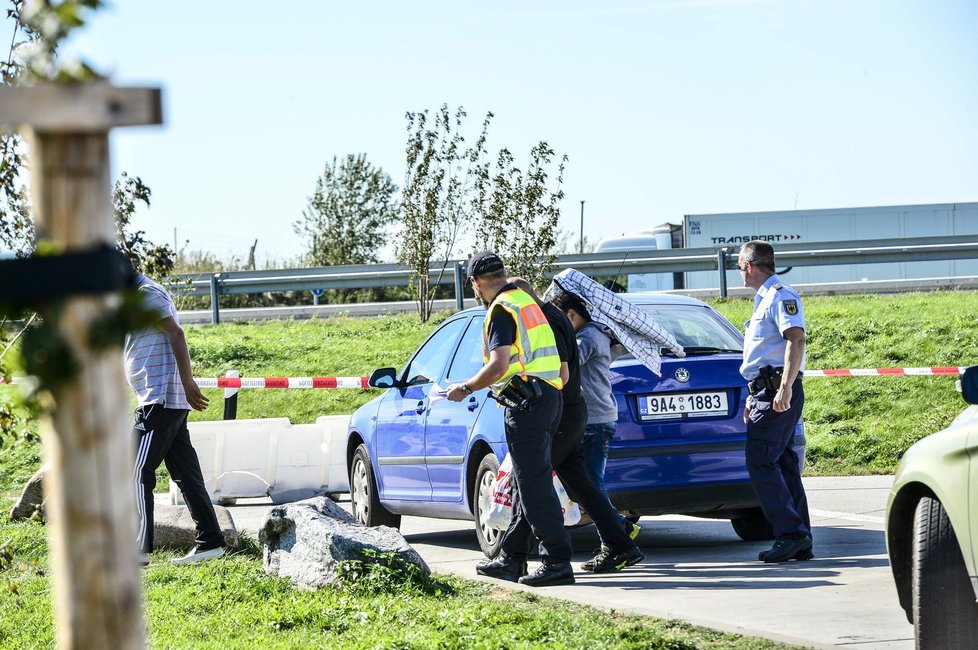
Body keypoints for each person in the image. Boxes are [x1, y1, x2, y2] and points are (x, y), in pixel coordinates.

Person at [491, 278, 644, 574]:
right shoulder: (556, 315)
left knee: (531, 483)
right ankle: (620, 543)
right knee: (581, 485)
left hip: (559, 412)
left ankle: (515, 556)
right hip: (573, 411)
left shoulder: (543, 321)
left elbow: (559, 373)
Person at [446, 252, 574, 587]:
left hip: (528, 404)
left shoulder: (501, 310)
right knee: (523, 482)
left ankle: (557, 561)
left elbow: (499, 365)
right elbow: (562, 369)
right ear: (503, 273)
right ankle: (511, 559)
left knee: (534, 486)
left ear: (475, 283)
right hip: (549, 396)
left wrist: (466, 387)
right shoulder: (528, 303)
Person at [126, 271, 225, 565]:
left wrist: (188, 381)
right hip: (159, 397)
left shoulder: (147, 294)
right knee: (187, 475)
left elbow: (175, 334)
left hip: (161, 398)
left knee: (134, 469)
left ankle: (138, 549)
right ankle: (211, 542)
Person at [737, 240, 813, 563]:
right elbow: (760, 355)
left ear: (751, 267)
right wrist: (751, 396)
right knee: (782, 464)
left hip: (776, 392)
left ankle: (790, 534)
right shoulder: (764, 300)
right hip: (764, 392)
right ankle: (801, 537)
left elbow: (796, 339)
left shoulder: (780, 296)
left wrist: (785, 388)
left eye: (740, 267)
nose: (740, 273)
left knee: (760, 461)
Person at [552, 291, 638, 567]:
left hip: (594, 420)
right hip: (597, 418)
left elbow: (564, 363)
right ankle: (619, 528)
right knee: (586, 485)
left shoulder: (587, 338)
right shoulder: (600, 333)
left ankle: (615, 541)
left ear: (571, 316)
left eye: (561, 322)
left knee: (591, 485)